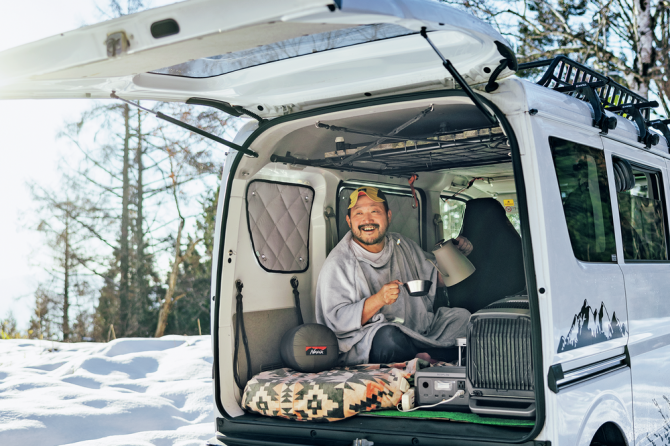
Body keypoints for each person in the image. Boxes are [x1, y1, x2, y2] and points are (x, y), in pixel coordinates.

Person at [315, 186, 473, 366]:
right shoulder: (339, 263)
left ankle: (421, 357)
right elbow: (336, 322)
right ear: (349, 221)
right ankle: (430, 356)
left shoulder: (401, 244)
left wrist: (456, 252)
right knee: (389, 338)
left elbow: (438, 278)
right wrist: (378, 300)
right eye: (359, 213)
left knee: (463, 318)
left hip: (418, 331)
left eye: (375, 211)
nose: (367, 220)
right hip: (371, 338)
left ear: (388, 216)